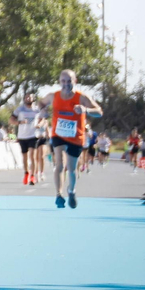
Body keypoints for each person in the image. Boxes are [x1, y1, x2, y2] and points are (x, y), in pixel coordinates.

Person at [47, 69, 103, 209]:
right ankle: (58, 195)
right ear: (60, 82)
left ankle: (71, 191)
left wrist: (86, 110)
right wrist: (41, 110)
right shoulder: (53, 96)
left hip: (75, 137)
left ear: (75, 81)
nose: (66, 84)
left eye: (69, 81)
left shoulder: (82, 98)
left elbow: (99, 112)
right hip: (58, 134)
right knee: (59, 163)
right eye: (63, 81)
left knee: (71, 168)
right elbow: (40, 104)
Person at [13, 92, 44, 186]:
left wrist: (39, 124)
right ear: (24, 99)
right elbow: (11, 120)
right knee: (25, 157)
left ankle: (33, 176)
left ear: (33, 98)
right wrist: (20, 122)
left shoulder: (37, 109)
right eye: (26, 97)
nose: (28, 99)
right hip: (22, 136)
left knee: (33, 156)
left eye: (30, 97)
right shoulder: (20, 109)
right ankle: (26, 173)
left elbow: (42, 119)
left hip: (33, 135)